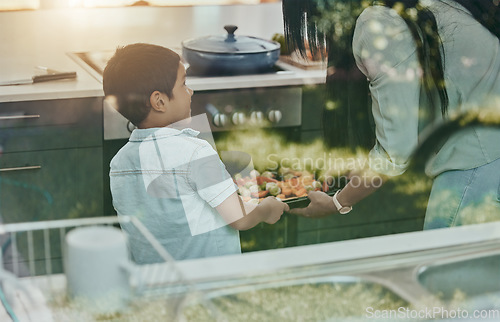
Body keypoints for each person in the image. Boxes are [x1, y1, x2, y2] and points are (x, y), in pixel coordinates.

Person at [282, 0, 500, 228]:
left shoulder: (379, 22)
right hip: (489, 157)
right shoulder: (424, 7)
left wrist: (337, 202)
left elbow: (395, 154)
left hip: (478, 166)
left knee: (445, 262)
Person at [102, 43, 289, 262]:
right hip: (208, 283)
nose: (190, 91)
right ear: (159, 101)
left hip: (155, 283)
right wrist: (266, 210)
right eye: (183, 84)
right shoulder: (195, 152)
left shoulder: (119, 164)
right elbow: (238, 217)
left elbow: (181, 214)